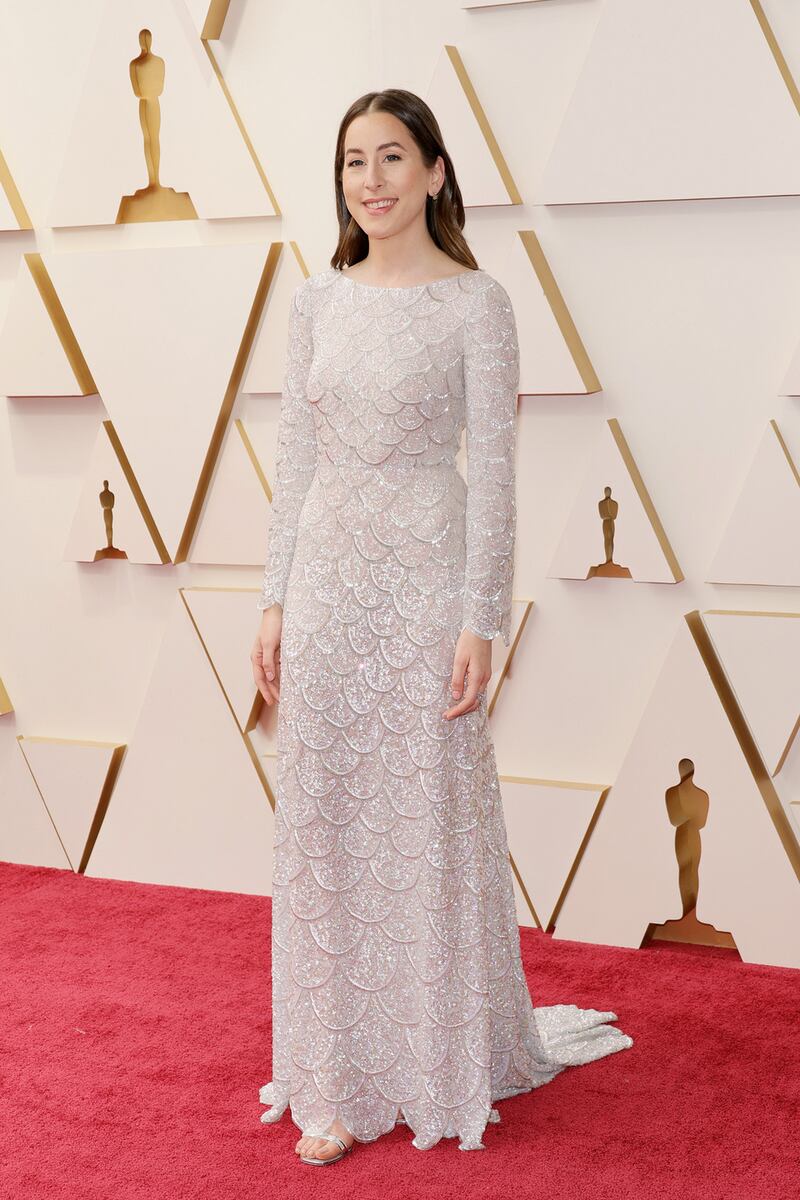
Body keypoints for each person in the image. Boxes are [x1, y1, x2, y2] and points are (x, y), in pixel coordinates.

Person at [250, 88, 633, 1166]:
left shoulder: (479, 304)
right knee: (326, 826)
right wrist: (273, 599)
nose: (369, 181)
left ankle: (433, 1057)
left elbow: (496, 476)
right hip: (327, 586)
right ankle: (334, 1080)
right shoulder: (315, 302)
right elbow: (295, 465)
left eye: (390, 158)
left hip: (425, 584)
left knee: (423, 820)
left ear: (434, 172)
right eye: (352, 162)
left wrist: (481, 619)